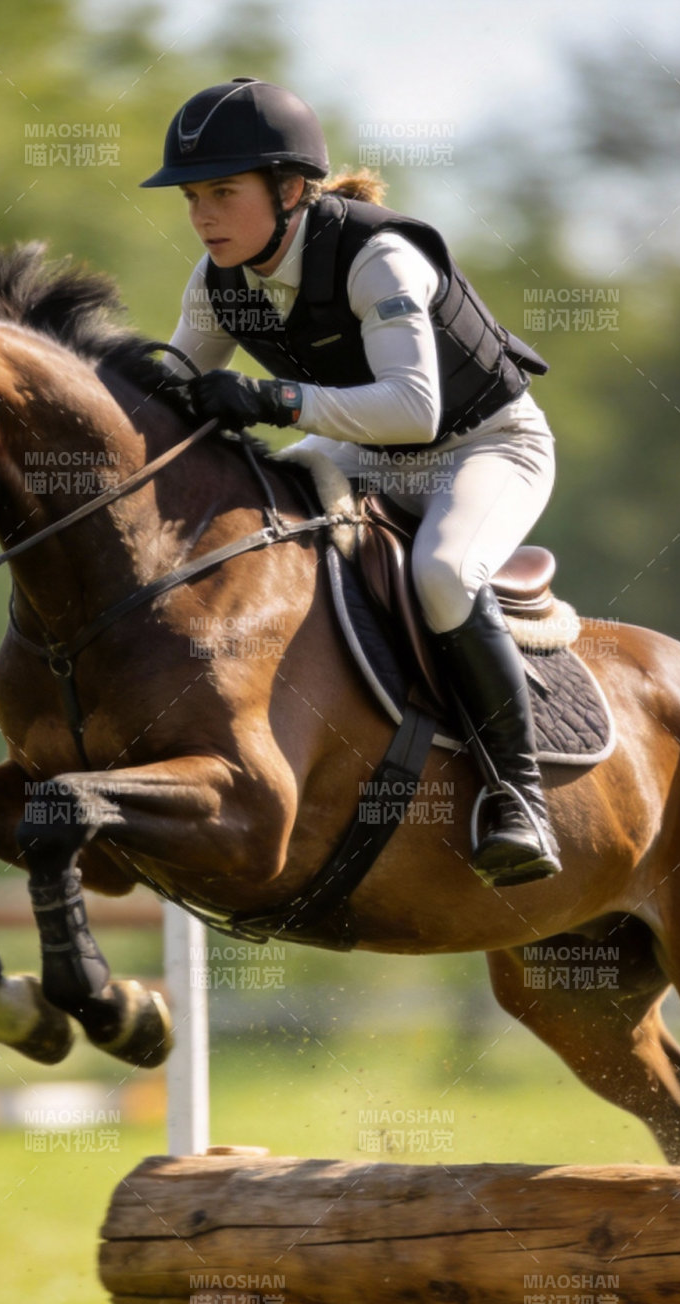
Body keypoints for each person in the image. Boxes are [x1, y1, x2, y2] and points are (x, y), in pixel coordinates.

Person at [142, 78, 560, 888]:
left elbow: (412, 406)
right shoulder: (218, 280)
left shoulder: (379, 255)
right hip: (364, 456)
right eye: (194, 196)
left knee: (441, 572)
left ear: (291, 189)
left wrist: (272, 399)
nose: (202, 216)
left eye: (223, 192)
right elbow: (173, 398)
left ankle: (520, 795)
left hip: (483, 447)